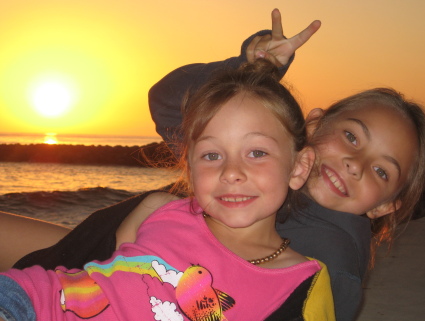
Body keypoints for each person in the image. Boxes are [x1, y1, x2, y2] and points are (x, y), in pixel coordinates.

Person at [2, 9, 425, 321]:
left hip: (95, 276)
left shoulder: (330, 256)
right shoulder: (262, 155)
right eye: (352, 137)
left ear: (385, 207)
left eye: (382, 171)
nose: (356, 164)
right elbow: (168, 103)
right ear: (315, 125)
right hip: (105, 256)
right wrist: (250, 70)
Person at [0, 61, 335, 321]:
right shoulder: (158, 209)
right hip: (28, 302)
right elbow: (105, 272)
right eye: (211, 155)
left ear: (298, 167)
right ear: (189, 168)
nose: (231, 172)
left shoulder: (299, 281)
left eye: (257, 153)